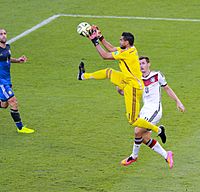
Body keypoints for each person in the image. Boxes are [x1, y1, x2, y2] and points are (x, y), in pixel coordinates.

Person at [77, 26, 166, 143]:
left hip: (133, 86)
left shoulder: (127, 53)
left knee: (133, 120)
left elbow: (105, 55)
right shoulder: (130, 49)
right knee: (109, 72)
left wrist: (95, 41)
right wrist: (100, 37)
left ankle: (158, 130)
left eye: (121, 40)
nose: (119, 42)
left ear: (126, 42)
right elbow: (112, 49)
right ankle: (83, 76)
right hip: (127, 79)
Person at [121, 56, 185, 168]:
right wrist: (121, 89)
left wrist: (178, 101)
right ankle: (167, 155)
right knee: (144, 138)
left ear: (148, 64)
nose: (141, 66)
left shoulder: (157, 75)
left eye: (143, 63)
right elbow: (128, 92)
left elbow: (167, 89)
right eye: (139, 64)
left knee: (137, 131)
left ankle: (134, 156)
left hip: (155, 110)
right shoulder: (137, 79)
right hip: (145, 110)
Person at [0, 28, 34, 133]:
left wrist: (18, 60)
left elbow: (7, 59)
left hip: (7, 79)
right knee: (13, 101)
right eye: (1, 34)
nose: (3, 35)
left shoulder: (7, 47)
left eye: (5, 33)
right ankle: (20, 128)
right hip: (1, 82)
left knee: (4, 104)